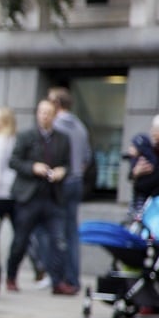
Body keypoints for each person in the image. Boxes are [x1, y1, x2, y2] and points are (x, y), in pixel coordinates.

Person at [6, 99, 74, 295]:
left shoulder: (62, 138)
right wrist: (32, 167)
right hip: (29, 197)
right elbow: (14, 161)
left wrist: (63, 171)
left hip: (53, 197)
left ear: (54, 116)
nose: (44, 116)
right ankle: (11, 277)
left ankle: (58, 282)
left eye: (48, 113)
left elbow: (70, 165)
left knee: (59, 241)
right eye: (41, 112)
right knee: (21, 240)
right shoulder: (26, 136)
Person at [0, 106, 47, 290]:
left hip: (2, 195)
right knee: (22, 236)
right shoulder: (15, 139)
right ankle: (38, 267)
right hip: (16, 193)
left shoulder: (1, 141)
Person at [48, 87, 92, 292]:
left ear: (57, 104)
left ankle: (60, 277)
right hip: (77, 181)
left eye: (49, 102)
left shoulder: (56, 126)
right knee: (71, 232)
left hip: (62, 183)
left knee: (56, 232)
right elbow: (87, 158)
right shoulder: (80, 126)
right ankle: (71, 278)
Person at [126, 114, 159, 217]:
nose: (152, 132)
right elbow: (132, 174)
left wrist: (138, 183)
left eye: (156, 130)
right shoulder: (153, 150)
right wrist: (135, 173)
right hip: (148, 200)